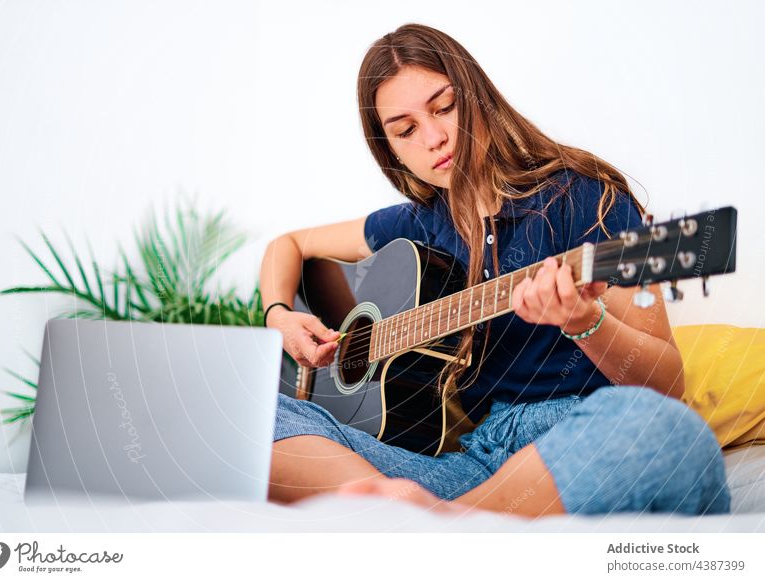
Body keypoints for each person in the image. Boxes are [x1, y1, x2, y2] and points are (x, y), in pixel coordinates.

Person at [258, 23, 730, 517]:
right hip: (474, 462)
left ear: (476, 96)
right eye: (406, 130)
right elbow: (287, 244)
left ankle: (431, 521)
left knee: (660, 429)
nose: (435, 137)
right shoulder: (415, 224)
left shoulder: (582, 197)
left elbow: (668, 386)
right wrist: (279, 315)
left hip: (575, 436)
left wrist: (584, 322)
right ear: (390, 149)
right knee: (253, 415)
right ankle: (433, 514)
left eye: (444, 107)